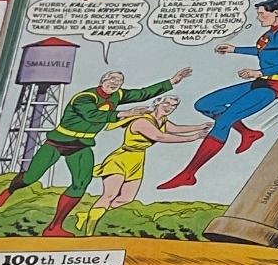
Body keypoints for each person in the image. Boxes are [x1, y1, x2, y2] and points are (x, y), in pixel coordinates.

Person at [0, 67, 185, 237]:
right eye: (112, 80)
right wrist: (125, 113)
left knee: (81, 183)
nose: (115, 84)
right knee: (31, 177)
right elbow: (93, 115)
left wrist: (171, 82)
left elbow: (142, 93)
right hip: (57, 142)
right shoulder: (85, 97)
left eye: (119, 82)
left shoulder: (118, 95)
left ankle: (54, 227)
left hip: (81, 146)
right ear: (102, 81)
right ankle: (9, 191)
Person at [161, 0, 278, 186]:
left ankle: (188, 174)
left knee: (224, 121)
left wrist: (260, 72)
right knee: (205, 104)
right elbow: (266, 52)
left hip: (273, 86)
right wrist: (234, 49)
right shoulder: (276, 30)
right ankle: (248, 133)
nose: (258, 17)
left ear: (276, 13)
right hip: (261, 82)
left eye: (262, 13)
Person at [70, 98, 201, 233]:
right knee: (109, 195)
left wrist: (201, 127)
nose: (169, 107)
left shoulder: (162, 121)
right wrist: (193, 137)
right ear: (157, 104)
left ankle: (86, 215)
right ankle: (89, 232)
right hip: (121, 159)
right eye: (166, 103)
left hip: (137, 161)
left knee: (125, 199)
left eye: (173, 106)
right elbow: (159, 137)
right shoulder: (142, 121)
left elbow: (176, 129)